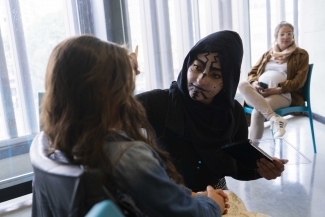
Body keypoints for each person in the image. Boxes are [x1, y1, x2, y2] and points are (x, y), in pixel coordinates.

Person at [39, 35, 230, 216]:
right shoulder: (127, 157)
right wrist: (213, 203)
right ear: (111, 95)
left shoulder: (47, 144)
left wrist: (192, 195)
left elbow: (157, 193)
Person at [135, 31, 286, 192]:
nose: (201, 79)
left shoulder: (232, 113)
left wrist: (262, 170)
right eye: (197, 67)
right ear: (188, 65)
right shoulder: (160, 102)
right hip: (170, 198)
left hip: (215, 194)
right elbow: (111, 114)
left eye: (215, 75)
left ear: (227, 81)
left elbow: (238, 168)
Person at [238, 21, 309, 140]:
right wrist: (254, 83)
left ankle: (253, 151)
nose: (286, 37)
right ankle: (274, 119)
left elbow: (299, 81)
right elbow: (252, 73)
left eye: (289, 34)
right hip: (259, 93)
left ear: (293, 36)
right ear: (276, 37)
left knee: (258, 112)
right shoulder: (267, 54)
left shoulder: (301, 54)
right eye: (282, 34)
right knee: (242, 84)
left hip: (283, 94)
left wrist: (276, 90)